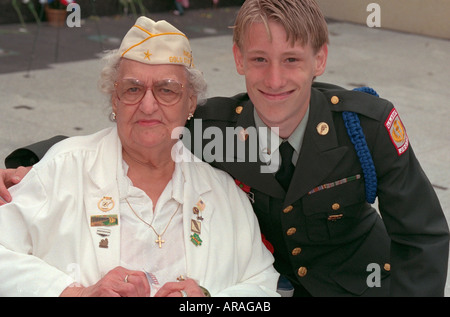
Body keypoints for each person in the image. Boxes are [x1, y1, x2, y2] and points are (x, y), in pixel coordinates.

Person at [1, 0, 448, 297]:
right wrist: (30, 163)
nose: (274, 80)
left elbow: (423, 236)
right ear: (238, 60)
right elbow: (140, 126)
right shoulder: (215, 125)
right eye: (259, 60)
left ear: (320, 59)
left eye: (292, 60)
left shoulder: (363, 127)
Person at [0, 16, 279, 297]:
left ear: (190, 102)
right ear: (115, 99)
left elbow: (263, 284)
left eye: (167, 90)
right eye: (132, 89)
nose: (147, 106)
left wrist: (204, 301)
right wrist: (77, 294)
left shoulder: (222, 193)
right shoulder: (64, 168)